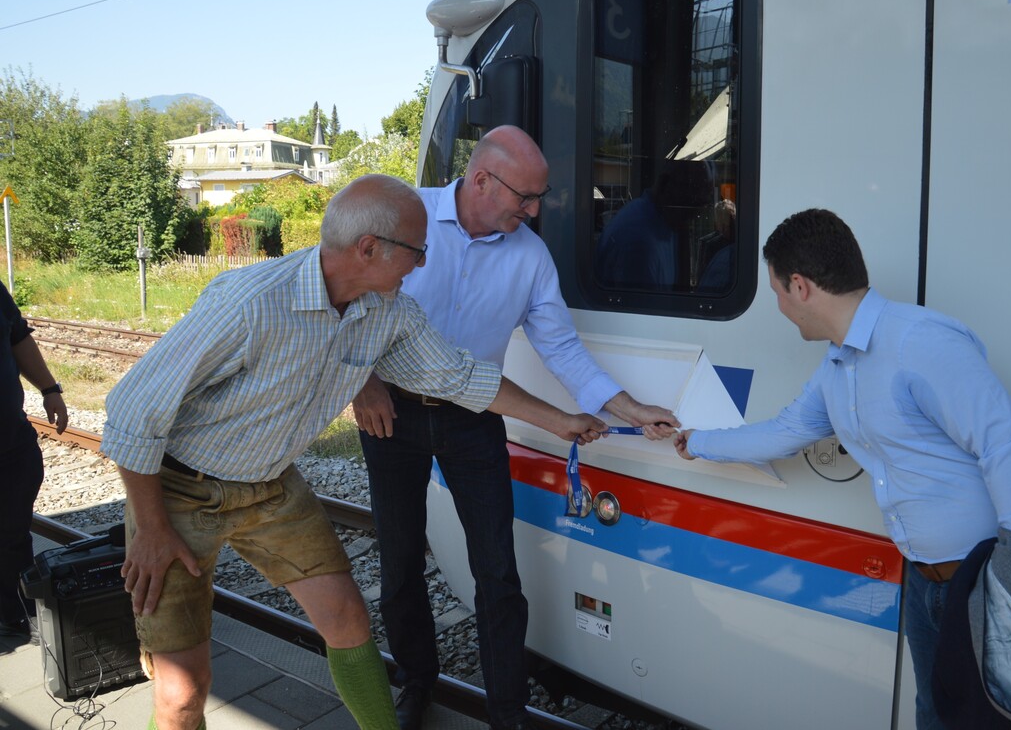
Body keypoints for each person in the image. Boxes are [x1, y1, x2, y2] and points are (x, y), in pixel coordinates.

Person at [101, 174, 606, 730]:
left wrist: (563, 421)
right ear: (369, 249)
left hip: (270, 485)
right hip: (175, 491)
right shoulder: (249, 303)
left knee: (347, 618)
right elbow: (131, 410)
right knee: (181, 691)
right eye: (417, 252)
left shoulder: (387, 311)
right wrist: (149, 528)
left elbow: (461, 378)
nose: (421, 265)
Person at [672, 208, 1011, 730]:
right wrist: (697, 442)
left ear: (800, 286)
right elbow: (786, 431)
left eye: (775, 292)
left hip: (994, 579)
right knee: (938, 715)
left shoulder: (919, 343)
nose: (778, 307)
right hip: (931, 580)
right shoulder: (839, 365)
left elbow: (1007, 447)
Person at [352, 125, 678, 730]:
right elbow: (347, 304)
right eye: (524, 198)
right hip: (389, 412)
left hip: (475, 418)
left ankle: (507, 713)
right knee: (399, 563)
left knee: (497, 572)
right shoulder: (407, 216)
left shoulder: (529, 255)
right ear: (480, 180)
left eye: (538, 198)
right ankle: (416, 683)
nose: (533, 211)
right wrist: (362, 382)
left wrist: (629, 410)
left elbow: (562, 348)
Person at [1, 279, 68, 638]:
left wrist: (49, 389)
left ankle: (17, 609)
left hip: (10, 441)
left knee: (13, 530)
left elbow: (17, 337)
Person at [594, 159, 715, 290]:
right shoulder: (639, 241)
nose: (694, 217)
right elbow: (638, 307)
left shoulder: (664, 227)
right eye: (692, 203)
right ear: (666, 186)